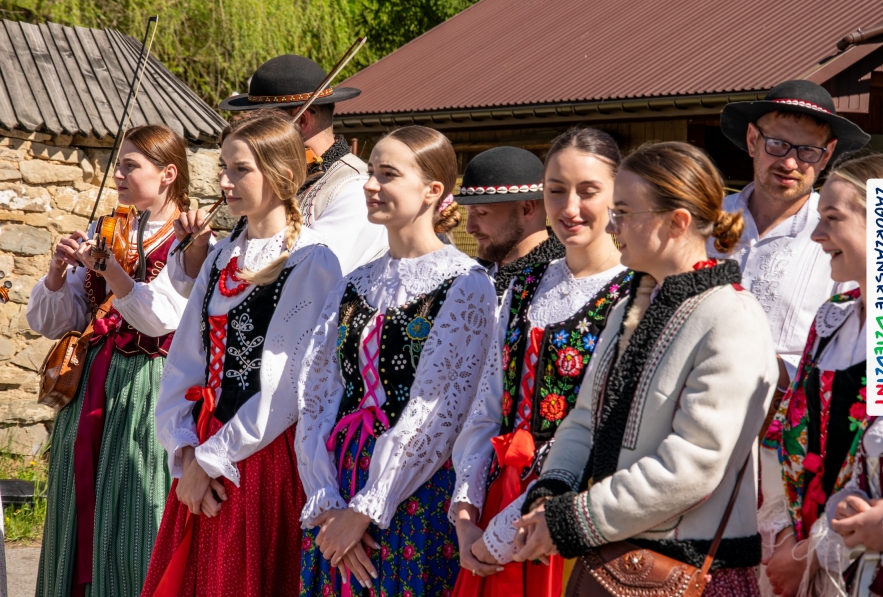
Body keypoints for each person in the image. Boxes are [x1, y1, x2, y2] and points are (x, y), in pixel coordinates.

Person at [513, 142, 779, 596]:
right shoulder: (629, 308)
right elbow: (584, 419)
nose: (611, 225)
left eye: (624, 212)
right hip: (613, 560)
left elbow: (694, 463)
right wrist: (551, 494)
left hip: (687, 571)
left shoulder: (730, 315)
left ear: (677, 222)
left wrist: (573, 520)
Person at [141, 111, 342, 597]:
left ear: (283, 175)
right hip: (204, 446)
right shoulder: (221, 257)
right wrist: (183, 449)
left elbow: (286, 387)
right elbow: (185, 360)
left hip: (260, 455)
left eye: (240, 169)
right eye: (223, 168)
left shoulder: (310, 260)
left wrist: (210, 460)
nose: (224, 182)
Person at [295, 126, 496, 596]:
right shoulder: (354, 282)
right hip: (339, 479)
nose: (370, 185)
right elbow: (316, 392)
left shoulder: (465, 284)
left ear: (432, 190)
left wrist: (365, 509)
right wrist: (326, 498)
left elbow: (438, 411)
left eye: (387, 174)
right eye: (370, 172)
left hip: (411, 490)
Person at [450, 127, 632, 597]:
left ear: (618, 194)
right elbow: (487, 408)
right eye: (556, 190)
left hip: (569, 511)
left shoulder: (634, 293)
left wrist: (508, 528)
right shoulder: (524, 284)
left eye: (588, 191)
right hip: (498, 497)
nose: (570, 208)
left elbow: (607, 430)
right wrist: (467, 513)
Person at [27, 125, 191, 597]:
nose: (117, 174)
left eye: (130, 166)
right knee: (76, 503)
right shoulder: (106, 229)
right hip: (90, 388)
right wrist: (57, 273)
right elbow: (57, 319)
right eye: (118, 165)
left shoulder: (189, 240)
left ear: (168, 174)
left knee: (138, 501)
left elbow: (160, 320)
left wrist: (112, 270)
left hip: (147, 385)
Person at [760, 154, 883, 597]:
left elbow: (876, 467)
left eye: (833, 218)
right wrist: (789, 540)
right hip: (808, 551)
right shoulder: (833, 318)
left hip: (867, 567)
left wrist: (818, 551)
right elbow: (787, 432)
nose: (817, 234)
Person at [712, 79, 869, 417]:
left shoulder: (841, 239)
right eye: (777, 144)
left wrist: (769, 369)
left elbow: (855, 355)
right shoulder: (701, 224)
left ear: (827, 154)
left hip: (787, 428)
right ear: (752, 140)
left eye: (807, 151)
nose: (790, 163)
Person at [175, 54, 387, 281]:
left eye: (261, 123)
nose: (249, 130)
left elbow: (306, 277)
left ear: (302, 121)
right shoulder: (267, 178)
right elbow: (219, 283)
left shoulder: (354, 190)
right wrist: (198, 250)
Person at [458, 146, 566, 297]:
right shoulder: (465, 279)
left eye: (482, 213)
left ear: (526, 209)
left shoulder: (565, 280)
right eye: (468, 213)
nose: (469, 228)